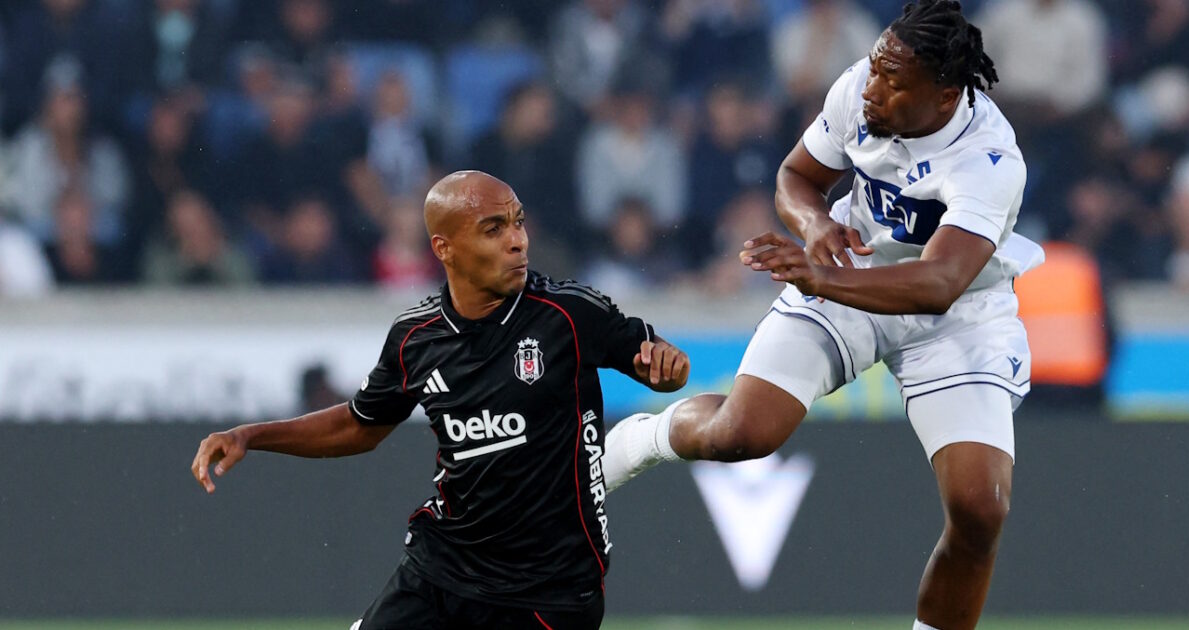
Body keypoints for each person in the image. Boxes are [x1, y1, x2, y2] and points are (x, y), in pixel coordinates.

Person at [603, 2, 1043, 630]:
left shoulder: (989, 160)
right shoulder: (861, 87)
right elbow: (795, 176)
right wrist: (814, 225)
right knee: (741, 435)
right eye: (875, 68)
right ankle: (638, 441)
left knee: (981, 508)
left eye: (893, 81)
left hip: (957, 315)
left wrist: (823, 277)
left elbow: (940, 284)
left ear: (946, 97)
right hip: (848, 270)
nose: (871, 88)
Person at [191, 171, 690, 630]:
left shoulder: (570, 314)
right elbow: (358, 426)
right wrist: (251, 435)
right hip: (443, 570)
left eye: (518, 223)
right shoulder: (416, 338)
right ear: (444, 248)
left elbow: (659, 364)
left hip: (550, 591)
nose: (517, 240)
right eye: (494, 229)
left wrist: (669, 369)